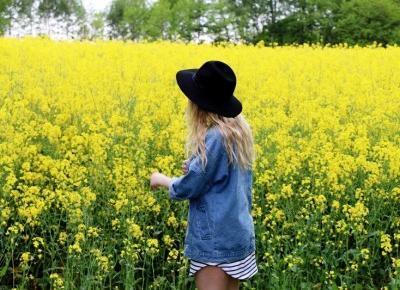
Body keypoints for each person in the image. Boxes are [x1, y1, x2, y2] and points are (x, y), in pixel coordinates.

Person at [150, 60, 258, 290]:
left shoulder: (215, 138)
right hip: (237, 235)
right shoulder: (237, 134)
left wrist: (163, 180)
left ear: (198, 104)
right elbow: (222, 176)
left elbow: (191, 186)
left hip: (215, 241)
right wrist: (196, 164)